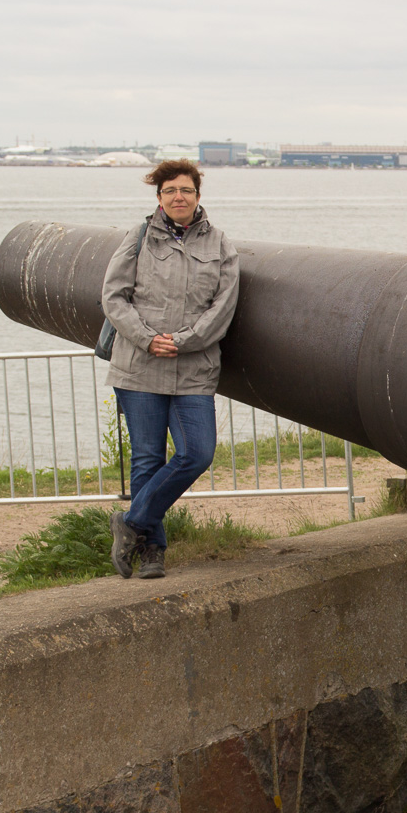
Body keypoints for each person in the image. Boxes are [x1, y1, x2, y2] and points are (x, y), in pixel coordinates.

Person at [100, 159, 239, 578]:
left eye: (186, 190)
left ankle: (131, 522)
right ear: (159, 197)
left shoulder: (219, 244)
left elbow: (223, 306)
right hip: (139, 366)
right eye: (170, 191)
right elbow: (114, 297)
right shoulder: (138, 238)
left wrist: (184, 340)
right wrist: (147, 338)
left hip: (193, 367)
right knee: (146, 460)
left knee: (197, 453)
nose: (179, 197)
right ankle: (151, 552)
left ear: (198, 195)